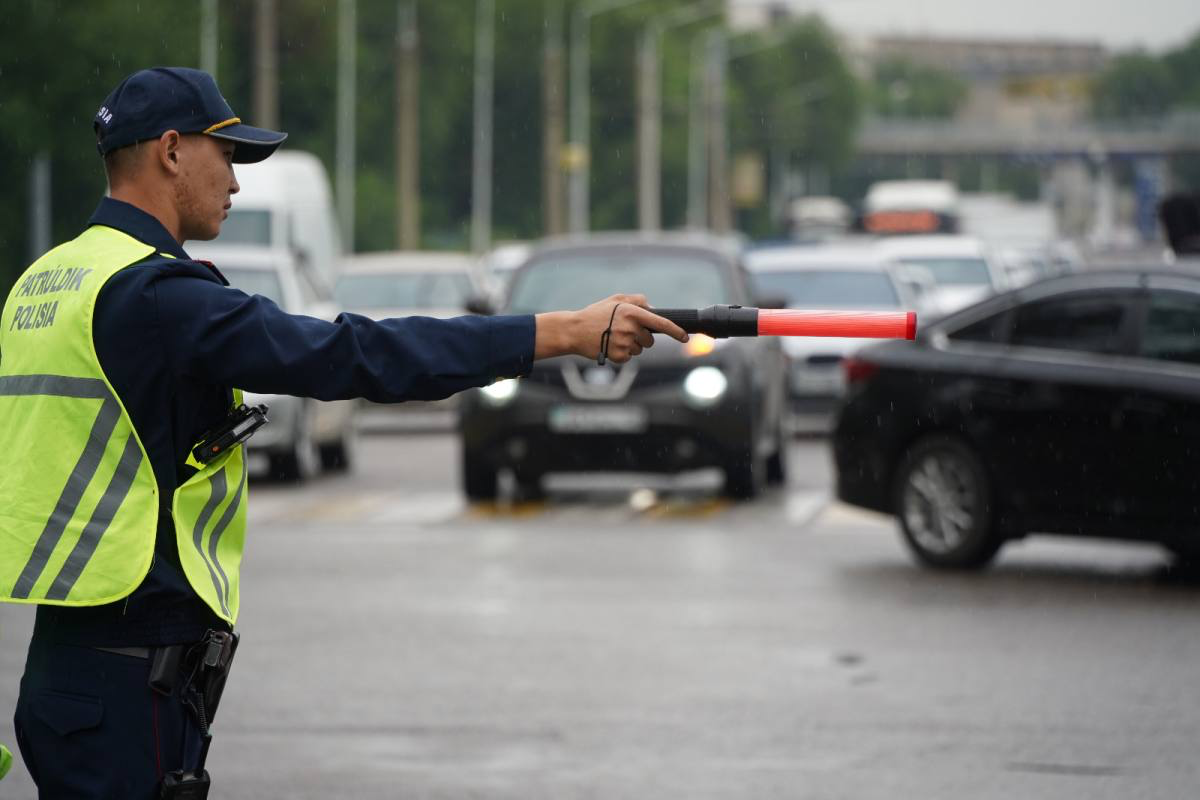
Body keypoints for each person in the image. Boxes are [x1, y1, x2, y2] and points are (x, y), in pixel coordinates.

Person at [0, 66, 687, 799]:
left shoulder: (47, 281)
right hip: (134, 674)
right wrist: (560, 331)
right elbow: (353, 355)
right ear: (171, 151)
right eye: (226, 155)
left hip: (63, 666)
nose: (234, 183)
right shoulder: (154, 296)